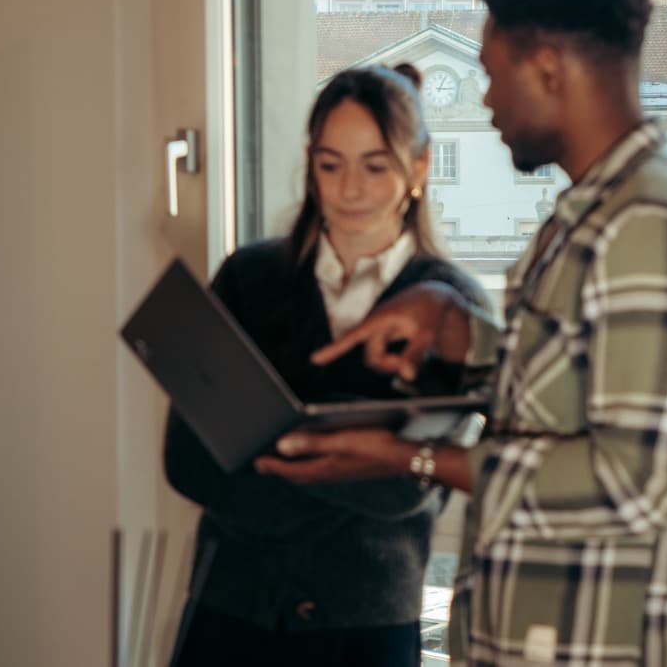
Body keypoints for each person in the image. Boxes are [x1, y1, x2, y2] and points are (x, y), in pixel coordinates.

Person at [256, 0, 667, 666]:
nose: (485, 100)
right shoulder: (591, 214)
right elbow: (575, 390)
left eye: (491, 74)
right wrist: (462, 335)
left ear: (547, 66)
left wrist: (410, 458)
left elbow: (629, 483)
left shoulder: (651, 224)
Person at [164, 64, 489, 667]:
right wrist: (351, 461)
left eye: (375, 166)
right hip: (230, 615)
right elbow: (186, 462)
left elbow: (409, 493)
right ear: (311, 164)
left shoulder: (450, 308)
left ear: (418, 168)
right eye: (330, 164)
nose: (350, 190)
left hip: (366, 626)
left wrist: (273, 463)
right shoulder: (247, 279)